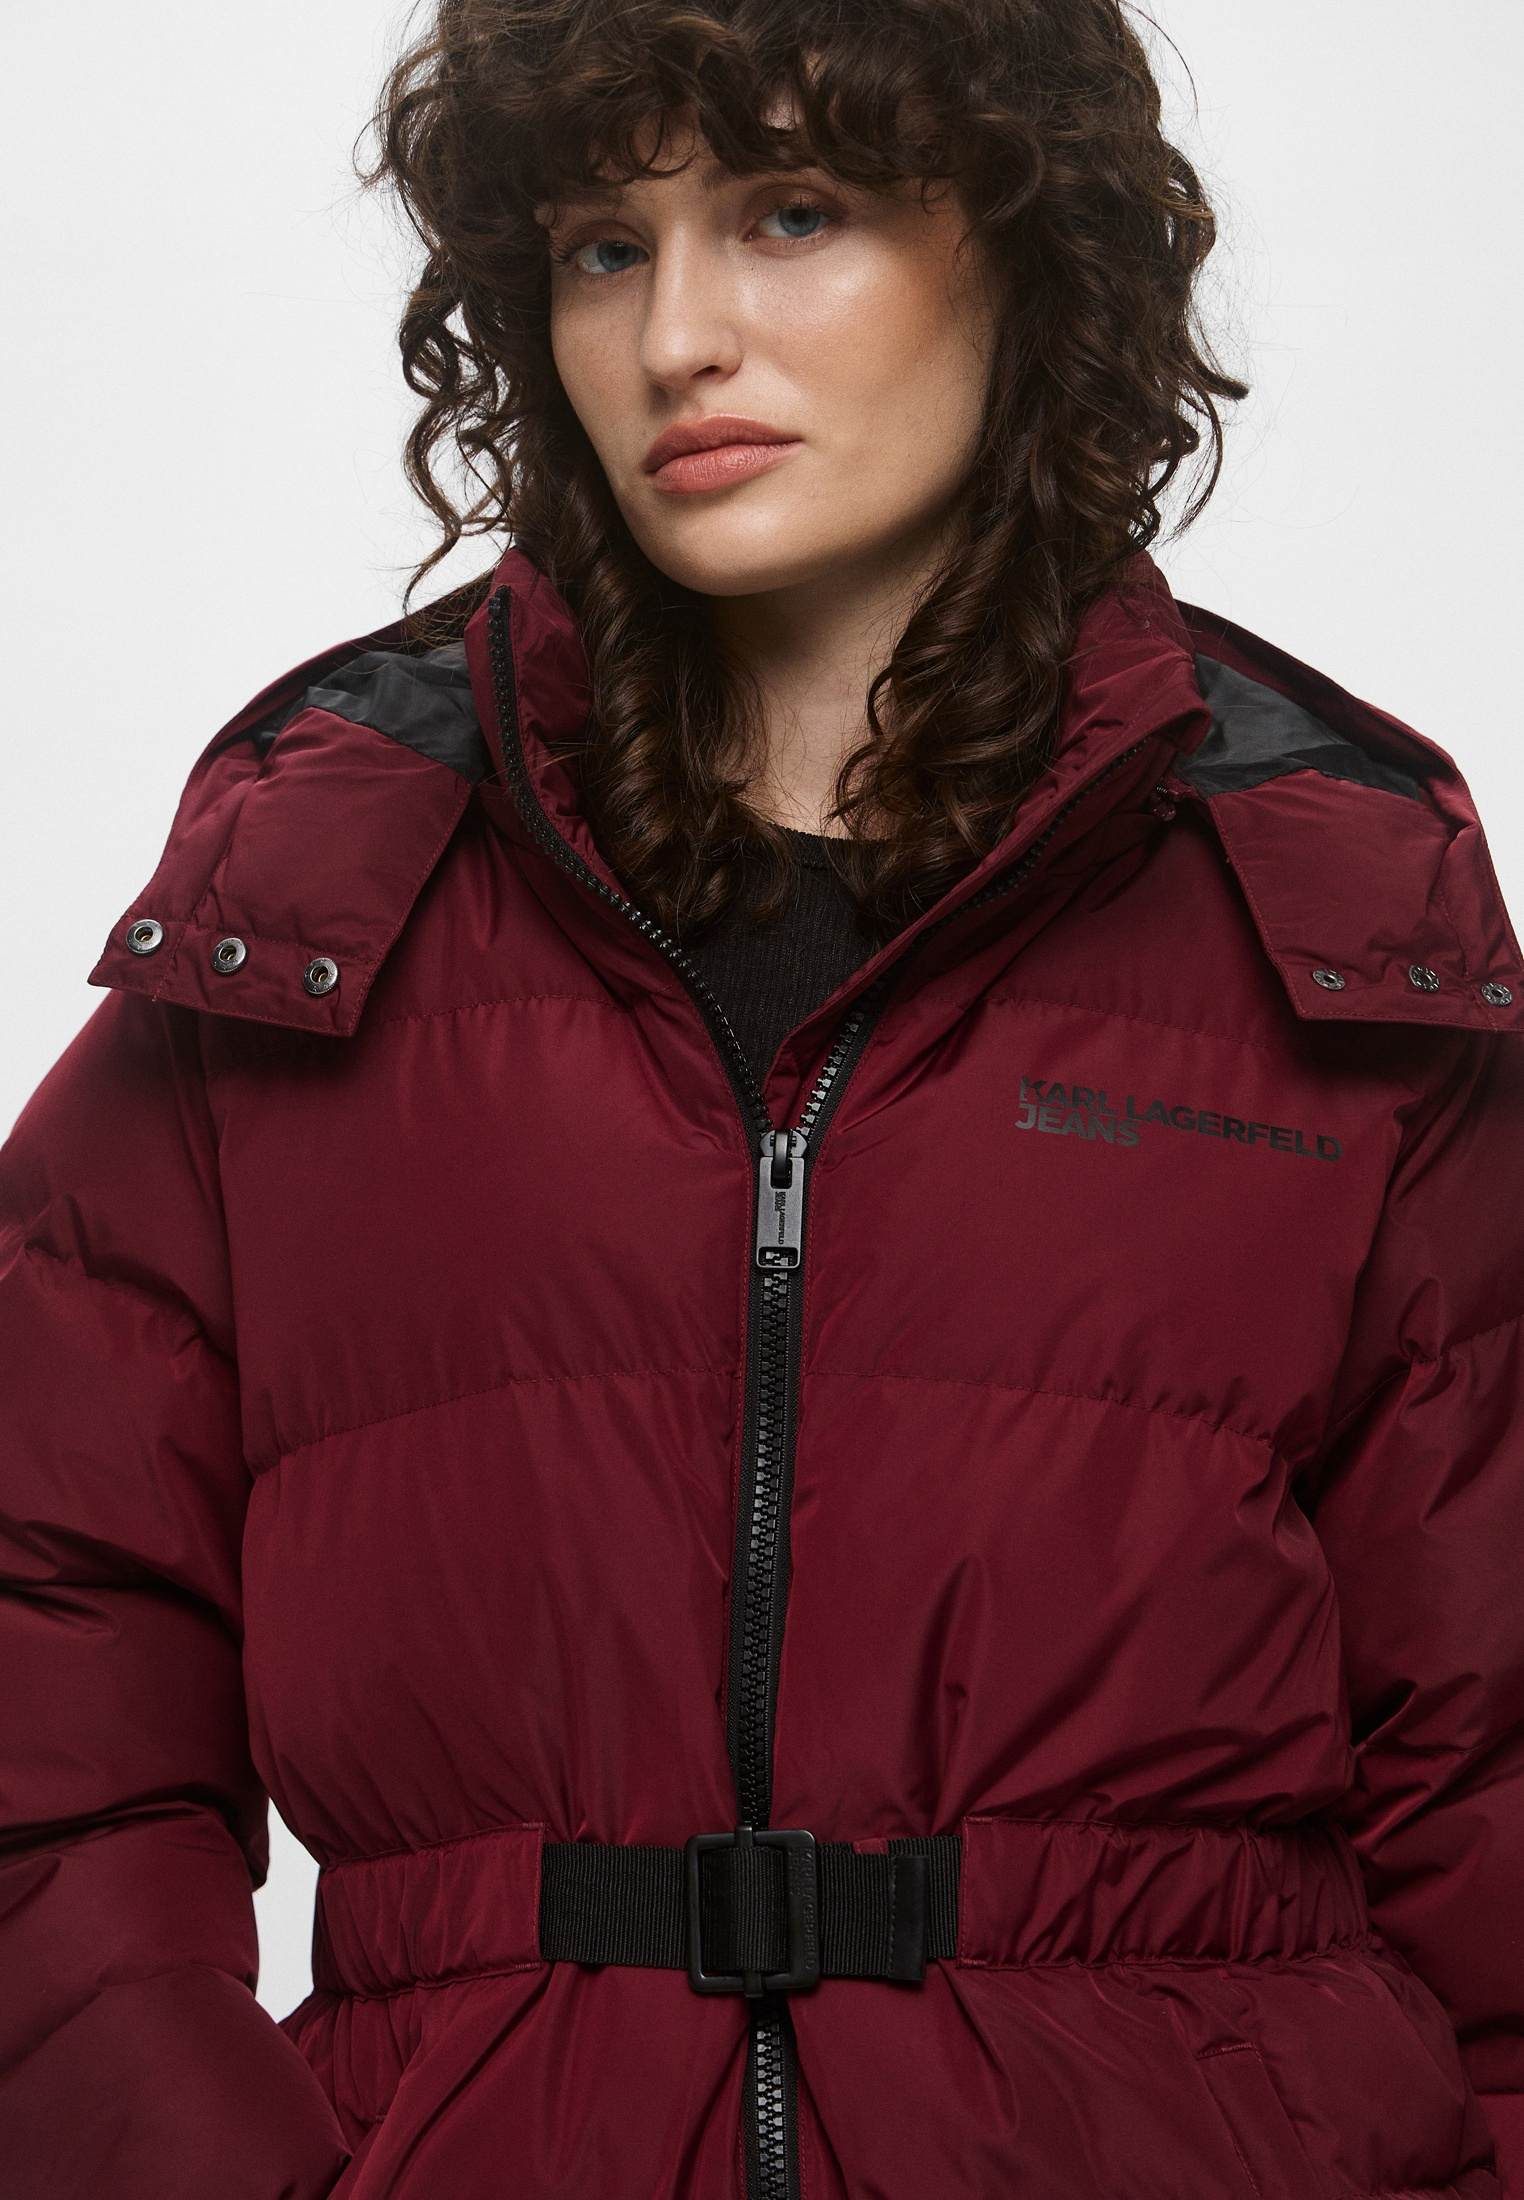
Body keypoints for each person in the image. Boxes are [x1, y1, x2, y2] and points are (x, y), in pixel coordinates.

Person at [2, 1, 1521, 2194]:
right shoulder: (309, 915)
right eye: (603, 247)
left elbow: (1497, 1788)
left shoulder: (1334, 921)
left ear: (1029, 248)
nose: (676, 337)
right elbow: (43, 1701)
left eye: (792, 213)